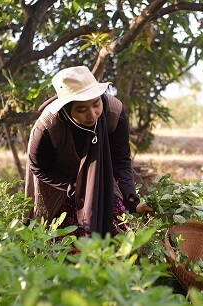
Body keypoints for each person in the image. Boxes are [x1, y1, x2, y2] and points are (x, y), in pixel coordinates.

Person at [24, 65, 153, 241]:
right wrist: (71, 186)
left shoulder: (113, 112)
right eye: (82, 109)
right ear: (67, 109)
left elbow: (121, 160)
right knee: (66, 241)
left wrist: (133, 202)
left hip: (99, 175)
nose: (92, 115)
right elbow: (38, 167)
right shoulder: (48, 126)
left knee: (116, 236)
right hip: (60, 182)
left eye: (96, 104)